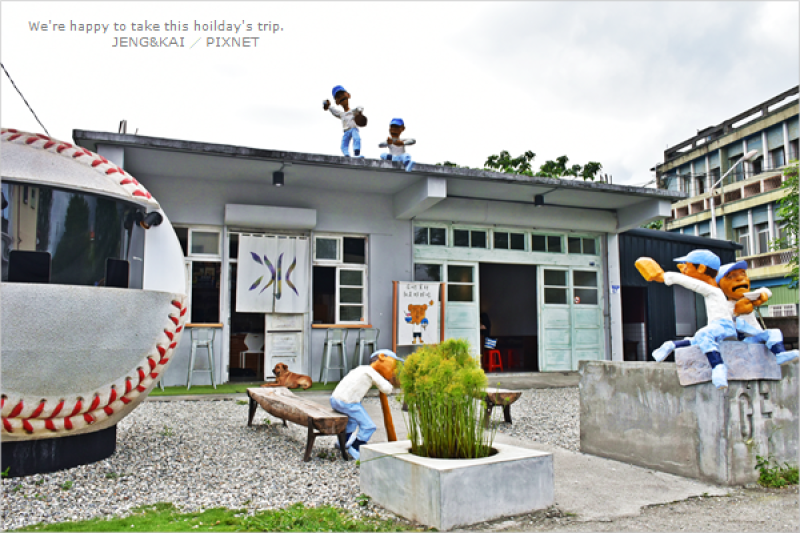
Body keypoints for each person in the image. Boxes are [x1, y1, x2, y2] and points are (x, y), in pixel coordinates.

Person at [640, 250, 734, 389]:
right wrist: (685, 270)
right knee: (696, 340)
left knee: (703, 335)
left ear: (701, 268)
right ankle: (669, 346)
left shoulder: (713, 290)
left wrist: (663, 276)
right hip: (715, 327)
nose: (684, 269)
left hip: (724, 327)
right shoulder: (714, 290)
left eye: (687, 266)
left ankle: (718, 367)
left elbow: (694, 284)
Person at [716, 261, 798, 366]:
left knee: (775, 332)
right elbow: (720, 325)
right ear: (719, 286)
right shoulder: (723, 306)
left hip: (757, 336)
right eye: (731, 277)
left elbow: (766, 290)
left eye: (743, 274)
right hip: (741, 342)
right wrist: (736, 313)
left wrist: (761, 296)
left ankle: (780, 354)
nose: (740, 279)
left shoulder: (748, 298)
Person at [329, 349, 399, 460]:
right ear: (381, 358)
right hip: (348, 403)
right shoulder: (371, 372)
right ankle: (355, 448)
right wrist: (391, 383)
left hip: (335, 399)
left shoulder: (360, 368)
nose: (394, 371)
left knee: (352, 421)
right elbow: (387, 389)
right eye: (393, 366)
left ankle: (342, 442)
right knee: (369, 426)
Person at [323, 85, 365, 157]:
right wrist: (328, 106)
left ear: (348, 95)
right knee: (343, 145)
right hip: (346, 131)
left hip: (353, 129)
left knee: (357, 138)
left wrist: (360, 113)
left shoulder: (353, 111)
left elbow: (360, 108)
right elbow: (334, 111)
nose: (341, 97)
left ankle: (357, 154)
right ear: (337, 102)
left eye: (342, 94)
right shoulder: (342, 114)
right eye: (338, 97)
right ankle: (347, 155)